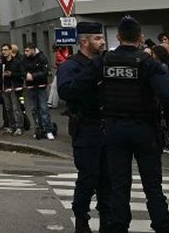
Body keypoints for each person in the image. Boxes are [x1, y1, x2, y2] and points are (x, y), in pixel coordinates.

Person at [99, 15, 169, 233]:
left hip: (115, 128)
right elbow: (168, 95)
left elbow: (82, 86)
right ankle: (162, 226)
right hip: (145, 128)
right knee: (152, 185)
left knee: (119, 184)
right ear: (140, 37)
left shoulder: (106, 61)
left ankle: (118, 226)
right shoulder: (148, 63)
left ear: (118, 37)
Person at [55, 21, 109, 233]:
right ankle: (81, 220)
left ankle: (107, 220)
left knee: (108, 179)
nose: (102, 42)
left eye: (102, 37)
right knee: (88, 177)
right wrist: (92, 72)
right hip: (86, 127)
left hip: (108, 127)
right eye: (97, 38)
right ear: (84, 42)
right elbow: (66, 92)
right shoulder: (70, 66)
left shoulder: (105, 63)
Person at [23, 43, 54, 140]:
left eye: (27, 51)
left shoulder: (42, 57)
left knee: (43, 108)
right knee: (34, 109)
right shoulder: (25, 59)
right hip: (30, 86)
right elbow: (22, 69)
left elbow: (45, 71)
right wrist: (26, 75)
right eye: (25, 51)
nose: (25, 53)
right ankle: (38, 129)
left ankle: (48, 130)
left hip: (41, 86)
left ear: (33, 49)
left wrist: (33, 76)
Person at [0, 44, 26, 135]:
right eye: (2, 50)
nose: (3, 52)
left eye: (5, 50)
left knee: (16, 108)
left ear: (10, 51)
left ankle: (19, 127)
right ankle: (12, 126)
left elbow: (22, 74)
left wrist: (12, 74)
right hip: (5, 87)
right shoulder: (2, 62)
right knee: (8, 108)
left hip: (14, 87)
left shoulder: (16, 62)